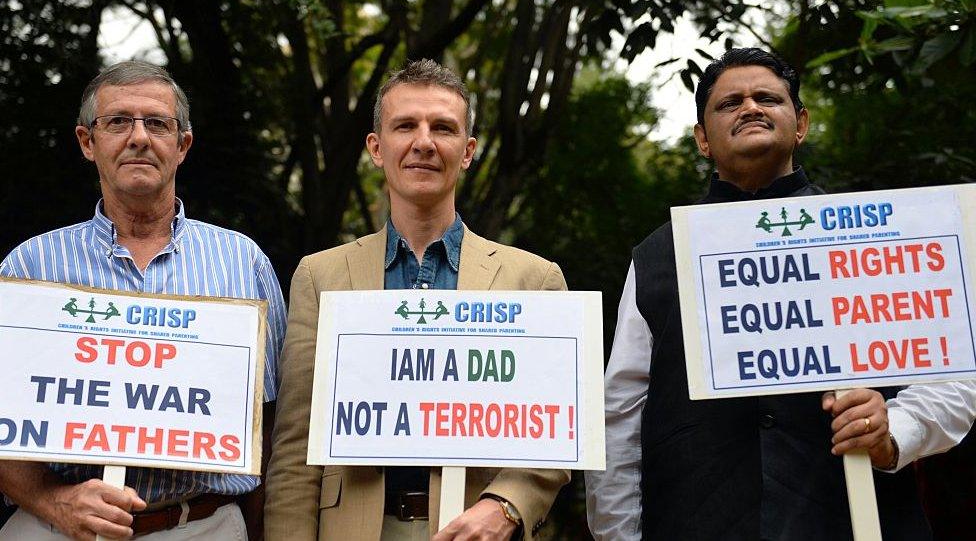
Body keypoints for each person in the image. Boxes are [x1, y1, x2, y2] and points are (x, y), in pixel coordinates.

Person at [584, 48, 976, 540]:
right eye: (730, 103)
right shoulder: (655, 258)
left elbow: (955, 379)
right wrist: (617, 535)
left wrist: (895, 429)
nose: (750, 107)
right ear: (703, 140)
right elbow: (620, 415)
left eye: (767, 97)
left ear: (801, 124)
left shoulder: (882, 236)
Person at [264, 59, 570, 541]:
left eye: (443, 128)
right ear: (376, 147)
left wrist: (507, 506)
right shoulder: (320, 276)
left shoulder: (534, 280)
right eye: (405, 125)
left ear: (467, 151)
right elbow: (296, 449)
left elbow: (556, 431)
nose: (423, 142)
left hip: (476, 530)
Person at [0, 60, 286, 540]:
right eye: (117, 122)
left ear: (182, 145)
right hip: (55, 527)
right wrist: (52, 500)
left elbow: (274, 424)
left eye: (157, 123)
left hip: (204, 526)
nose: (138, 137)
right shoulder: (27, 269)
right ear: (87, 143)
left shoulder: (243, 263)